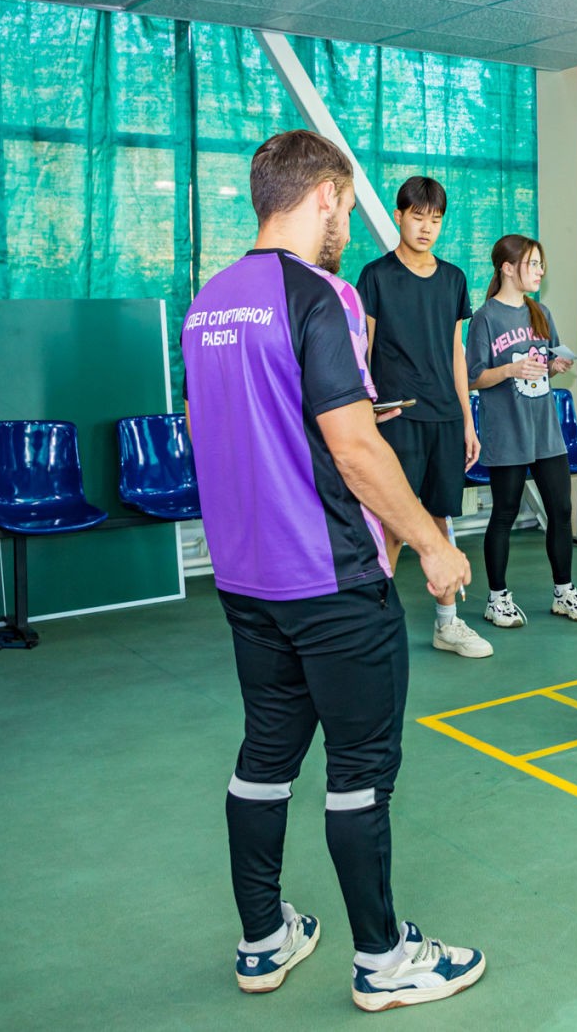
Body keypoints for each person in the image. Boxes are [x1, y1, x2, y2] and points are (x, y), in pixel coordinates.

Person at [182, 130, 484, 1012]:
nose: (346, 226)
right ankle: (384, 960)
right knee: (360, 769)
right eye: (346, 208)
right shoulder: (323, 293)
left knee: (266, 754)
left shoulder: (207, 302)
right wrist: (432, 542)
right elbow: (353, 449)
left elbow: (214, 427)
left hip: (247, 581)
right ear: (322, 197)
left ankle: (263, 938)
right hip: (333, 577)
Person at [357, 177, 493, 659]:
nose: (426, 228)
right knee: (393, 521)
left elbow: (457, 352)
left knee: (439, 517)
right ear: (399, 217)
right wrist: (365, 415)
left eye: (435, 220)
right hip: (396, 415)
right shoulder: (375, 276)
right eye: (417, 217)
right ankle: (375, 625)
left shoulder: (454, 279)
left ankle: (447, 623)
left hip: (445, 417)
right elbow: (363, 351)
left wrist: (467, 419)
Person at [466, 234, 577, 630]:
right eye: (533, 263)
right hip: (507, 431)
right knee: (504, 513)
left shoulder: (541, 311)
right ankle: (497, 598)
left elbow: (549, 361)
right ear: (508, 268)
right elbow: (473, 377)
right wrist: (509, 369)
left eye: (541, 264)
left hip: (545, 431)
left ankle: (564, 591)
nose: (540, 271)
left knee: (561, 510)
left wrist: (556, 366)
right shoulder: (485, 318)